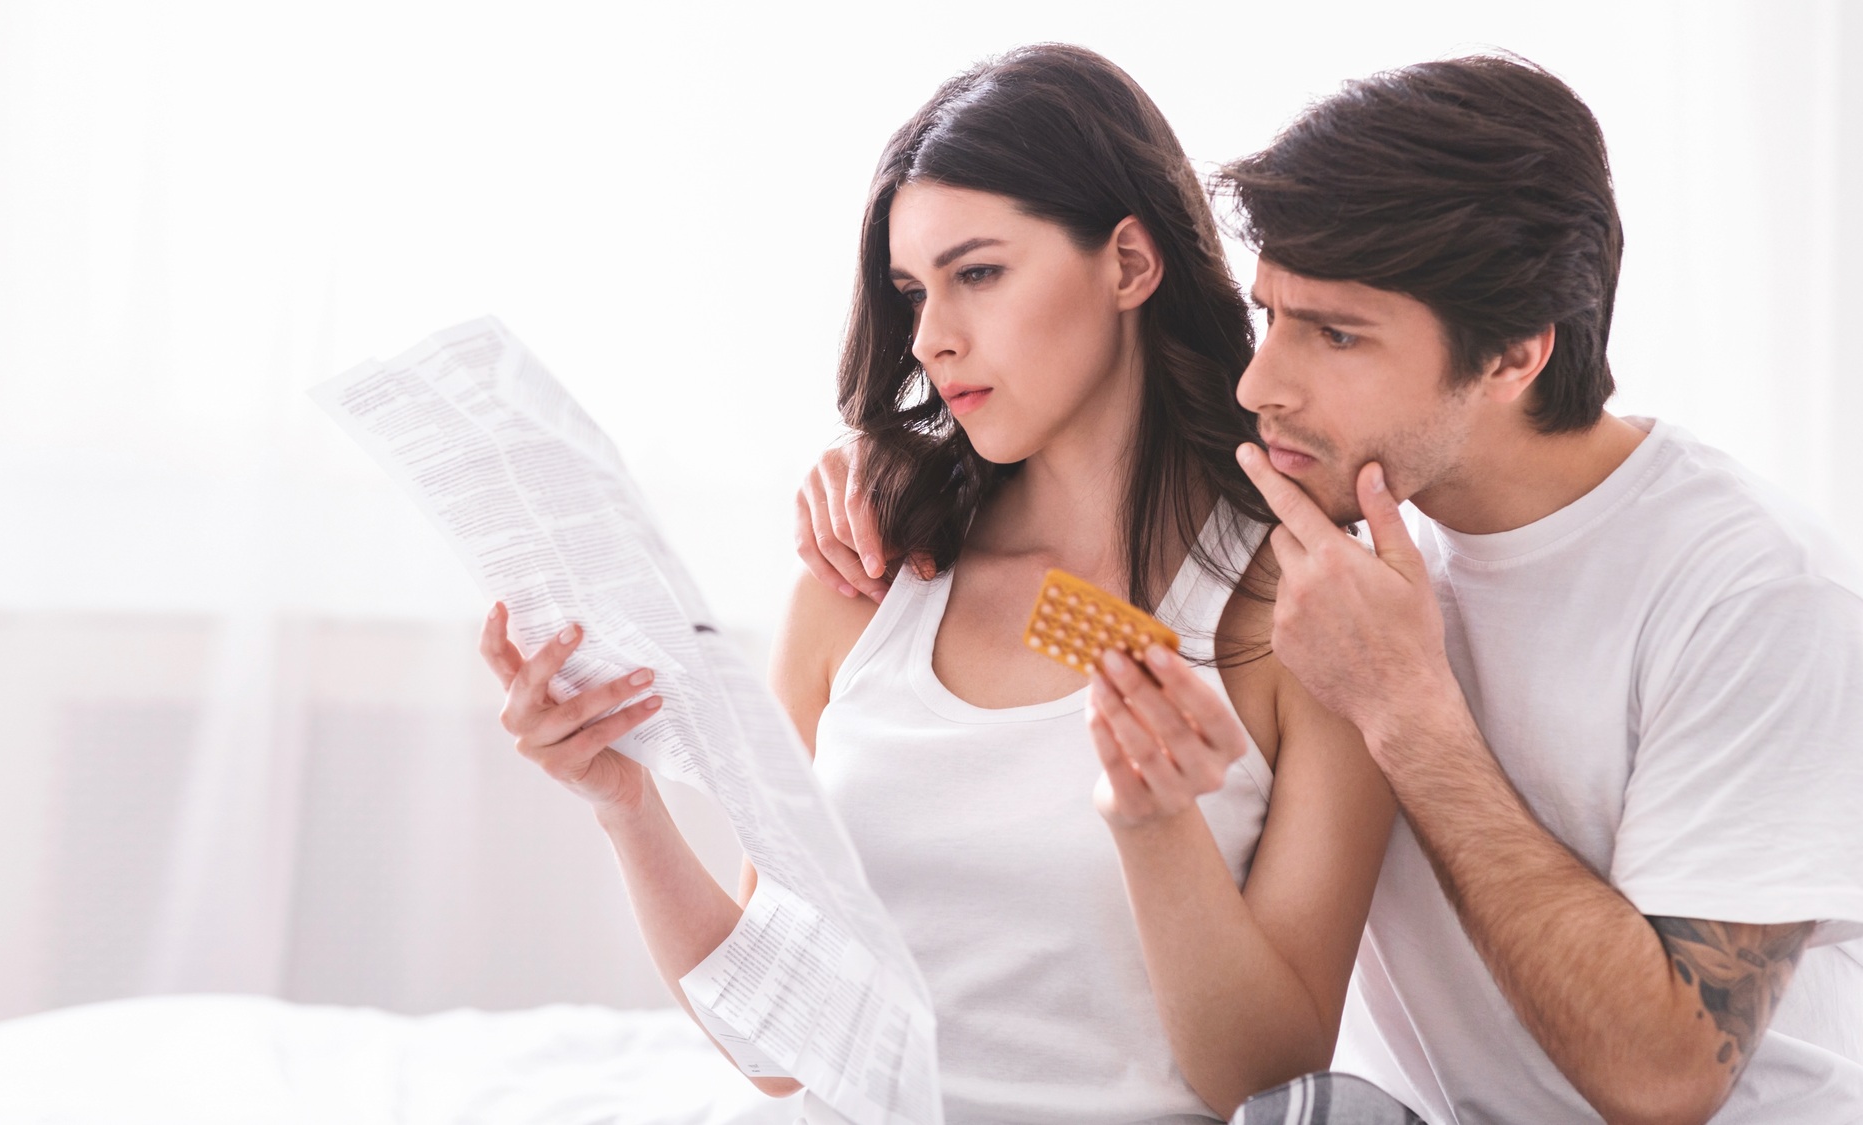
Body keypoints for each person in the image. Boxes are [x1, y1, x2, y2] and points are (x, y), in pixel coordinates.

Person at [799, 55, 1863, 1125]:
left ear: (1511, 356)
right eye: (1272, 318)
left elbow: (1663, 1078)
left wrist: (1405, 710)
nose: (1262, 383)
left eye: (1335, 334)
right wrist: (902, 469)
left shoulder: (1753, 595)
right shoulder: (1330, 513)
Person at [480, 44, 1400, 1125]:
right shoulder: (866, 576)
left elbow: (1262, 1077)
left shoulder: (1295, 615)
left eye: (978, 273)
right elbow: (779, 1046)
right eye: (912, 291)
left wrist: (1157, 830)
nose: (930, 337)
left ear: (1128, 265)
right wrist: (623, 805)